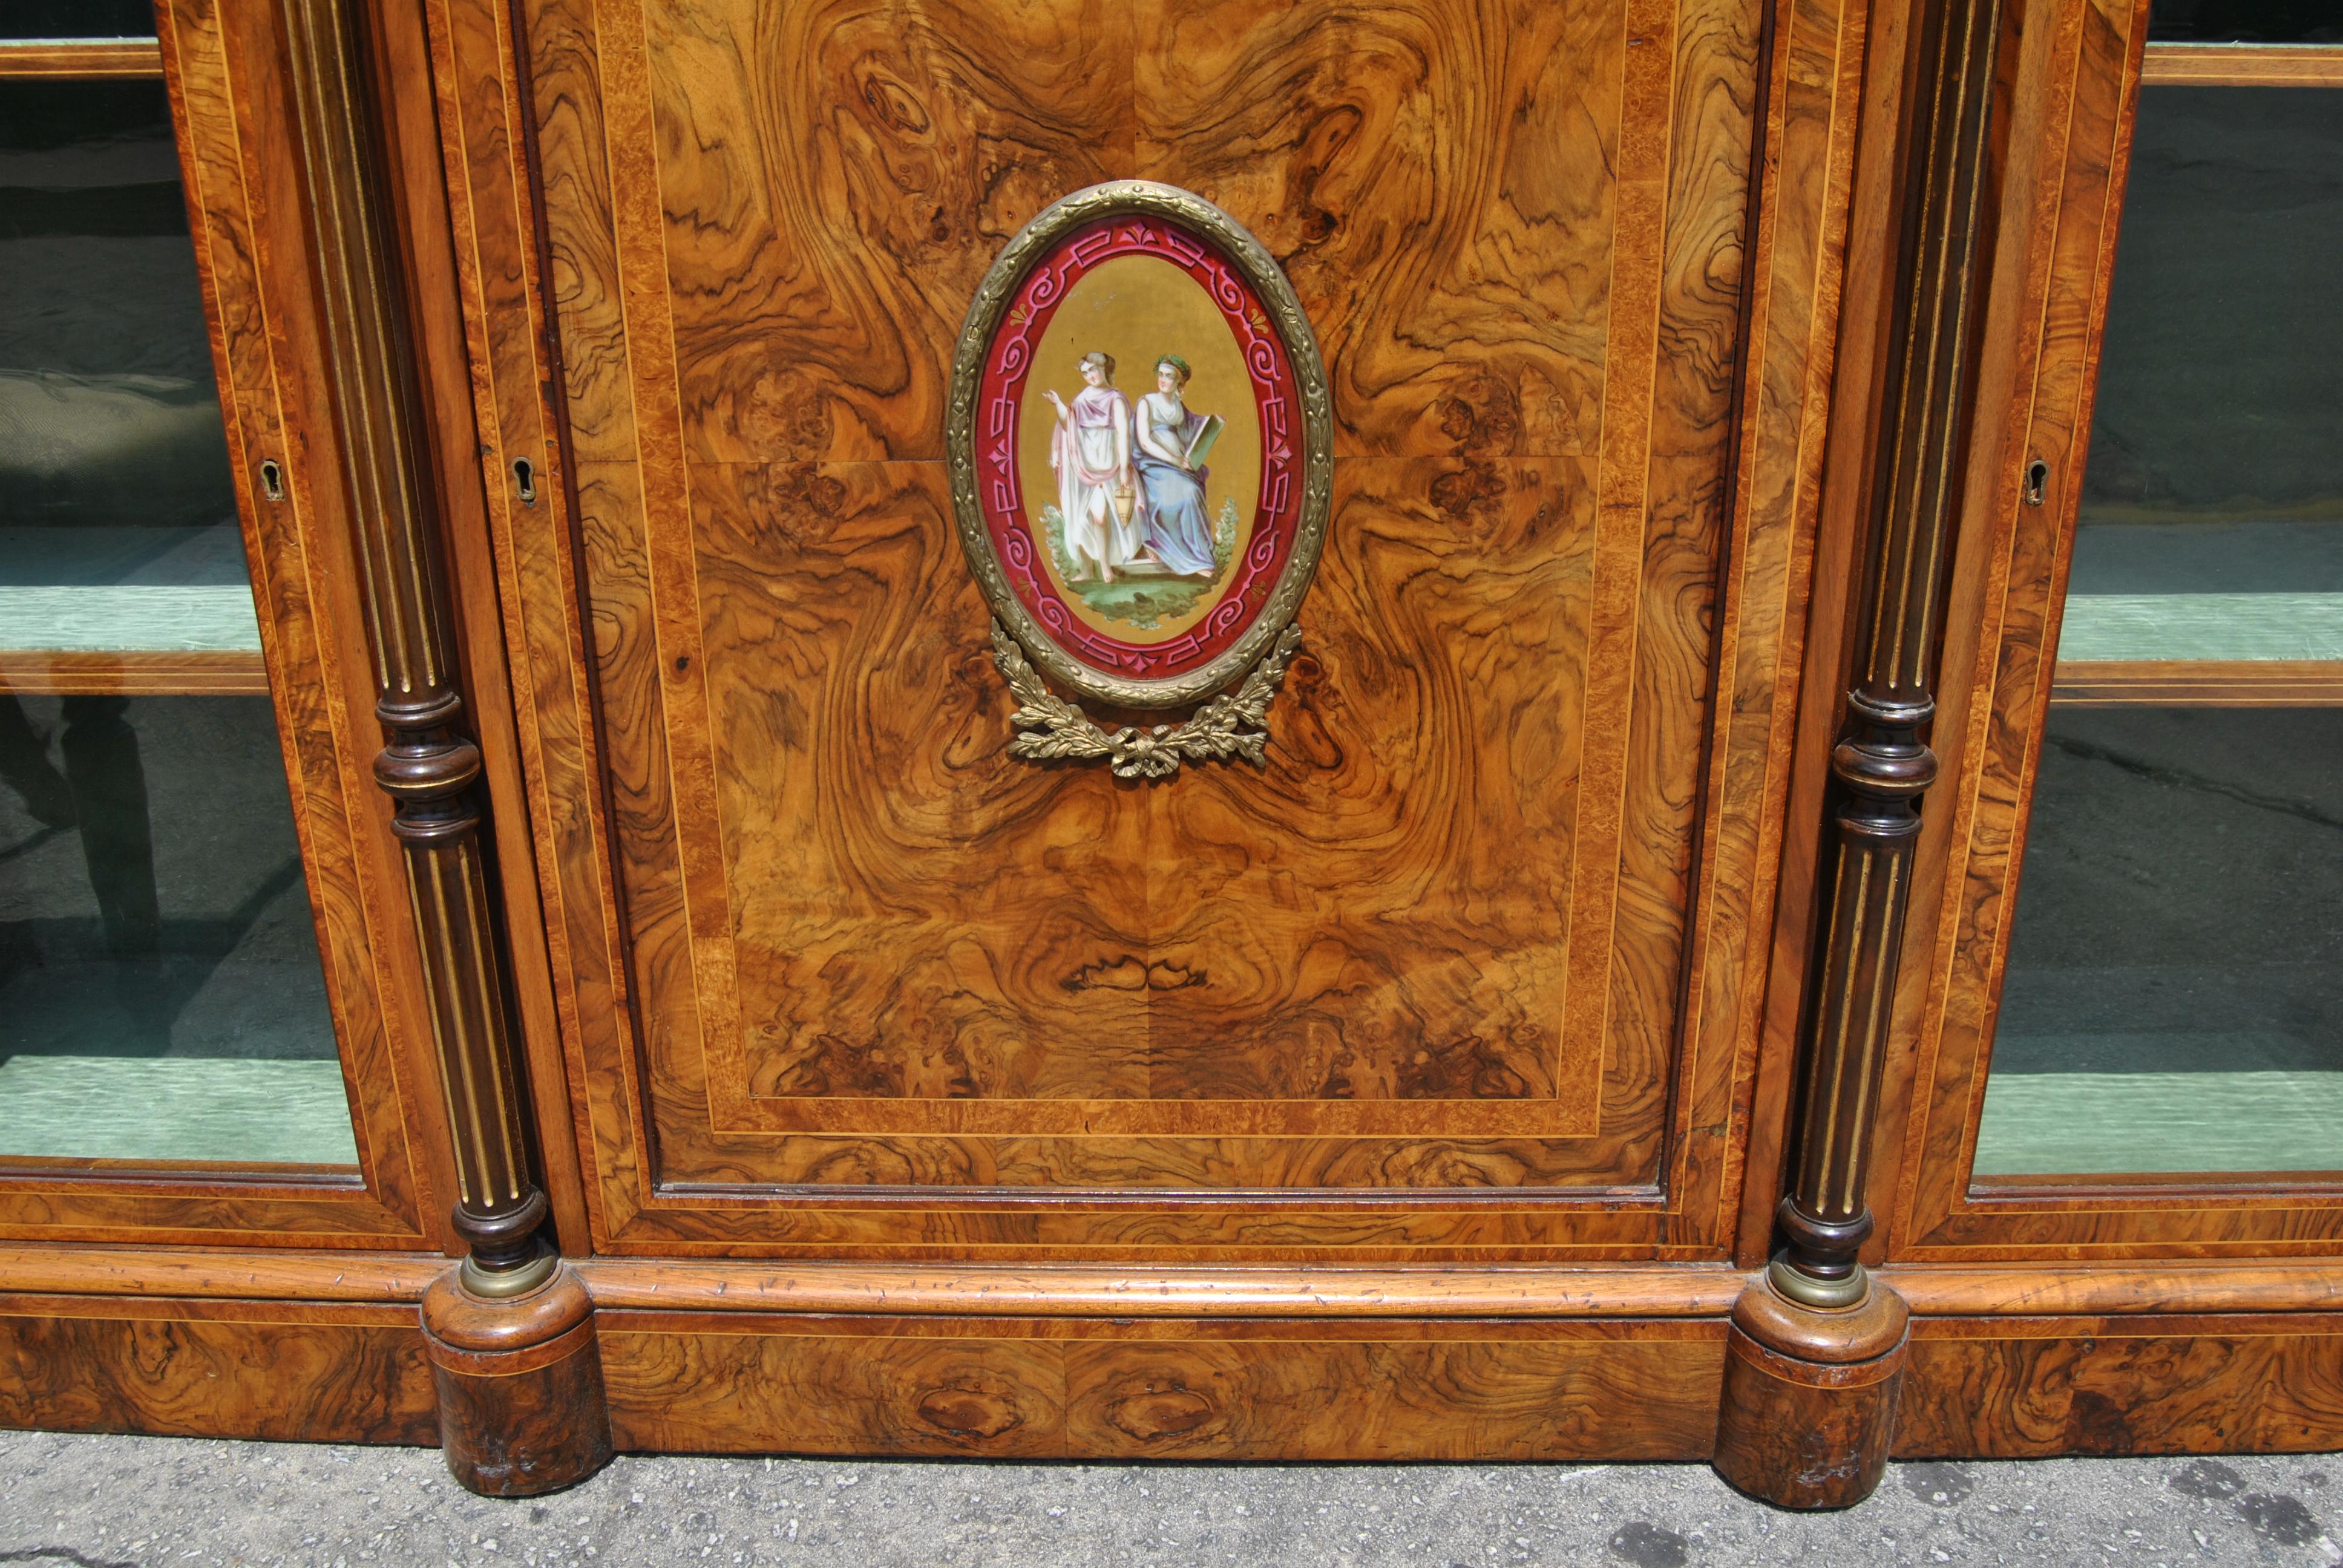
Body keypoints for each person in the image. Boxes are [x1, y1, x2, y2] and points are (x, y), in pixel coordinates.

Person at [1043, 351, 1141, 583]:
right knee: (1081, 516)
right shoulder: (1082, 398)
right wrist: (1057, 404)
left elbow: (1123, 435)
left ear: (1104, 369)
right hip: (1083, 464)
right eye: (1085, 373)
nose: (1090, 376)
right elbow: (1068, 423)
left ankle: (1105, 567)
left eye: (1093, 370)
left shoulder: (1116, 399)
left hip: (1108, 464)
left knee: (1100, 515)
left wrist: (1125, 467)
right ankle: (1088, 568)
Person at [1130, 355, 1218, 577]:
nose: (1163, 380)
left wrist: (1210, 429)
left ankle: (1197, 555)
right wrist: (1176, 460)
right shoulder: (1146, 402)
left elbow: (1191, 430)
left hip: (1178, 467)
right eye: (1161, 375)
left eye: (1169, 376)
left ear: (1179, 382)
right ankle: (1160, 545)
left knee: (1193, 492)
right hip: (1152, 466)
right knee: (1185, 494)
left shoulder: (1178, 405)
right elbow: (1145, 441)